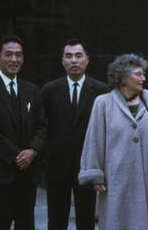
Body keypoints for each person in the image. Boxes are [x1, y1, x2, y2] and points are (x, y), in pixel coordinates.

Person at [78, 53, 148, 230]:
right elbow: (94, 140)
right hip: (116, 182)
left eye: (143, 73)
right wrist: (95, 174)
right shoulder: (103, 103)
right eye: (138, 74)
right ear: (123, 78)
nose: (144, 78)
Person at [0, 35, 46, 230]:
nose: (14, 59)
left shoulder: (32, 90)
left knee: (26, 225)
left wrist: (33, 150)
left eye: (19, 55)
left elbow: (42, 126)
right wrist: (15, 155)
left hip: (28, 175)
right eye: (9, 55)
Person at [40, 39, 109, 230]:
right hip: (56, 164)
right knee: (56, 220)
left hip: (87, 165)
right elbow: (40, 126)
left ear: (87, 59)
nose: (74, 61)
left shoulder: (101, 90)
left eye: (79, 56)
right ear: (62, 61)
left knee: (86, 220)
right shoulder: (50, 89)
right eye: (68, 56)